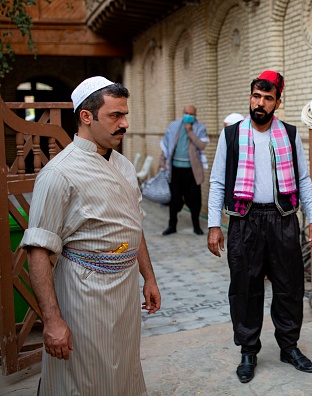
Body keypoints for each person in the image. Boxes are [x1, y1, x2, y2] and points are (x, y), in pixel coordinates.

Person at [20, 76, 161, 395]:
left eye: (125, 115)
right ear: (87, 116)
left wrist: (148, 278)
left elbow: (134, 226)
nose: (124, 123)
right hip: (83, 292)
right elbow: (38, 251)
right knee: (81, 377)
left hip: (124, 292)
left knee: (123, 369)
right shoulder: (58, 174)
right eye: (115, 115)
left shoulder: (125, 167)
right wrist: (52, 321)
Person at [207, 70, 312, 384]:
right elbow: (217, 181)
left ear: (277, 102)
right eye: (256, 96)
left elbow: (302, 180)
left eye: (267, 98)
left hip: (282, 219)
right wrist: (214, 225)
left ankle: (289, 346)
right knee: (245, 287)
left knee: (289, 286)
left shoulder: (289, 133)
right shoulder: (231, 135)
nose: (260, 103)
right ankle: (248, 350)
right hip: (244, 221)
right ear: (250, 97)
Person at [160, 104, 209, 235]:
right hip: (175, 169)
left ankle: (196, 225)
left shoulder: (200, 127)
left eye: (191, 114)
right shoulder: (174, 126)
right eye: (186, 113)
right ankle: (172, 225)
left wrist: (190, 132)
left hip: (192, 170)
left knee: (195, 199)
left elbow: (202, 145)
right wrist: (161, 162)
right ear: (183, 113)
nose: (188, 116)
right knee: (174, 198)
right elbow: (166, 145)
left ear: (195, 115)